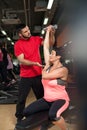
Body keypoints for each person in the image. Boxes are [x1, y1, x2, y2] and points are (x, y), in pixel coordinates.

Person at [23, 25, 70, 130]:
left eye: (52, 54)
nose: (49, 56)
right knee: (27, 112)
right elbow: (45, 46)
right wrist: (48, 32)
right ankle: (43, 125)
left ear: (58, 57)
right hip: (47, 99)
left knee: (54, 115)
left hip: (60, 99)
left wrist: (44, 69)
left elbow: (44, 75)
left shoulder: (63, 70)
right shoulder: (49, 65)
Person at [14, 24, 44, 122]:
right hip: (26, 76)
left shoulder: (36, 39)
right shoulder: (18, 44)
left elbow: (49, 43)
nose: (29, 32)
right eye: (26, 31)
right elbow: (22, 60)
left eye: (28, 30)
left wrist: (50, 33)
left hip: (38, 75)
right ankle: (19, 117)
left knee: (41, 97)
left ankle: (44, 114)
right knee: (21, 99)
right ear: (20, 34)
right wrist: (34, 63)